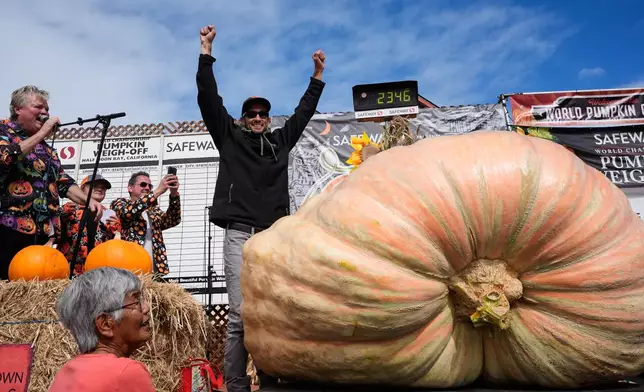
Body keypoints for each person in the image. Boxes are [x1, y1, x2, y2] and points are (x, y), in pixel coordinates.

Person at [196, 24, 326, 392]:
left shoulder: (281, 142)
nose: (256, 117)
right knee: (238, 315)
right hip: (239, 233)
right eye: (251, 113)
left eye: (262, 113)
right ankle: (236, 385)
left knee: (271, 312)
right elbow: (209, 99)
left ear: (268, 119)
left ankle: (270, 380)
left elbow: (303, 113)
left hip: (272, 237)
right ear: (242, 118)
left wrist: (316, 77)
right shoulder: (229, 137)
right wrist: (206, 52)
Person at [0, 85, 104, 280]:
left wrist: (87, 200)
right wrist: (42, 134)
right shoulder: (3, 130)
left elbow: (63, 182)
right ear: (17, 109)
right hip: (7, 228)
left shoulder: (46, 149)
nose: (45, 113)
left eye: (47, 109)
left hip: (42, 232)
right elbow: (6, 157)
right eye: (38, 107)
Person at [48, 267, 155, 392]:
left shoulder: (66, 372)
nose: (146, 308)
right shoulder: (127, 372)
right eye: (136, 301)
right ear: (105, 324)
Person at [110, 171, 181, 276]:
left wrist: (174, 193)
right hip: (128, 266)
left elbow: (173, 220)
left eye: (150, 186)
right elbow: (127, 213)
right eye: (143, 184)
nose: (147, 188)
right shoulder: (120, 203)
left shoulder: (152, 210)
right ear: (130, 188)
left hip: (153, 269)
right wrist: (158, 191)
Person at [56, 174, 122, 276]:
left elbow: (114, 248)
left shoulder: (110, 214)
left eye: (103, 188)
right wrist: (62, 214)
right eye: (95, 186)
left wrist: (116, 231)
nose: (100, 189)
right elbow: (54, 233)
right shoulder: (69, 209)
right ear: (82, 189)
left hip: (97, 271)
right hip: (70, 270)